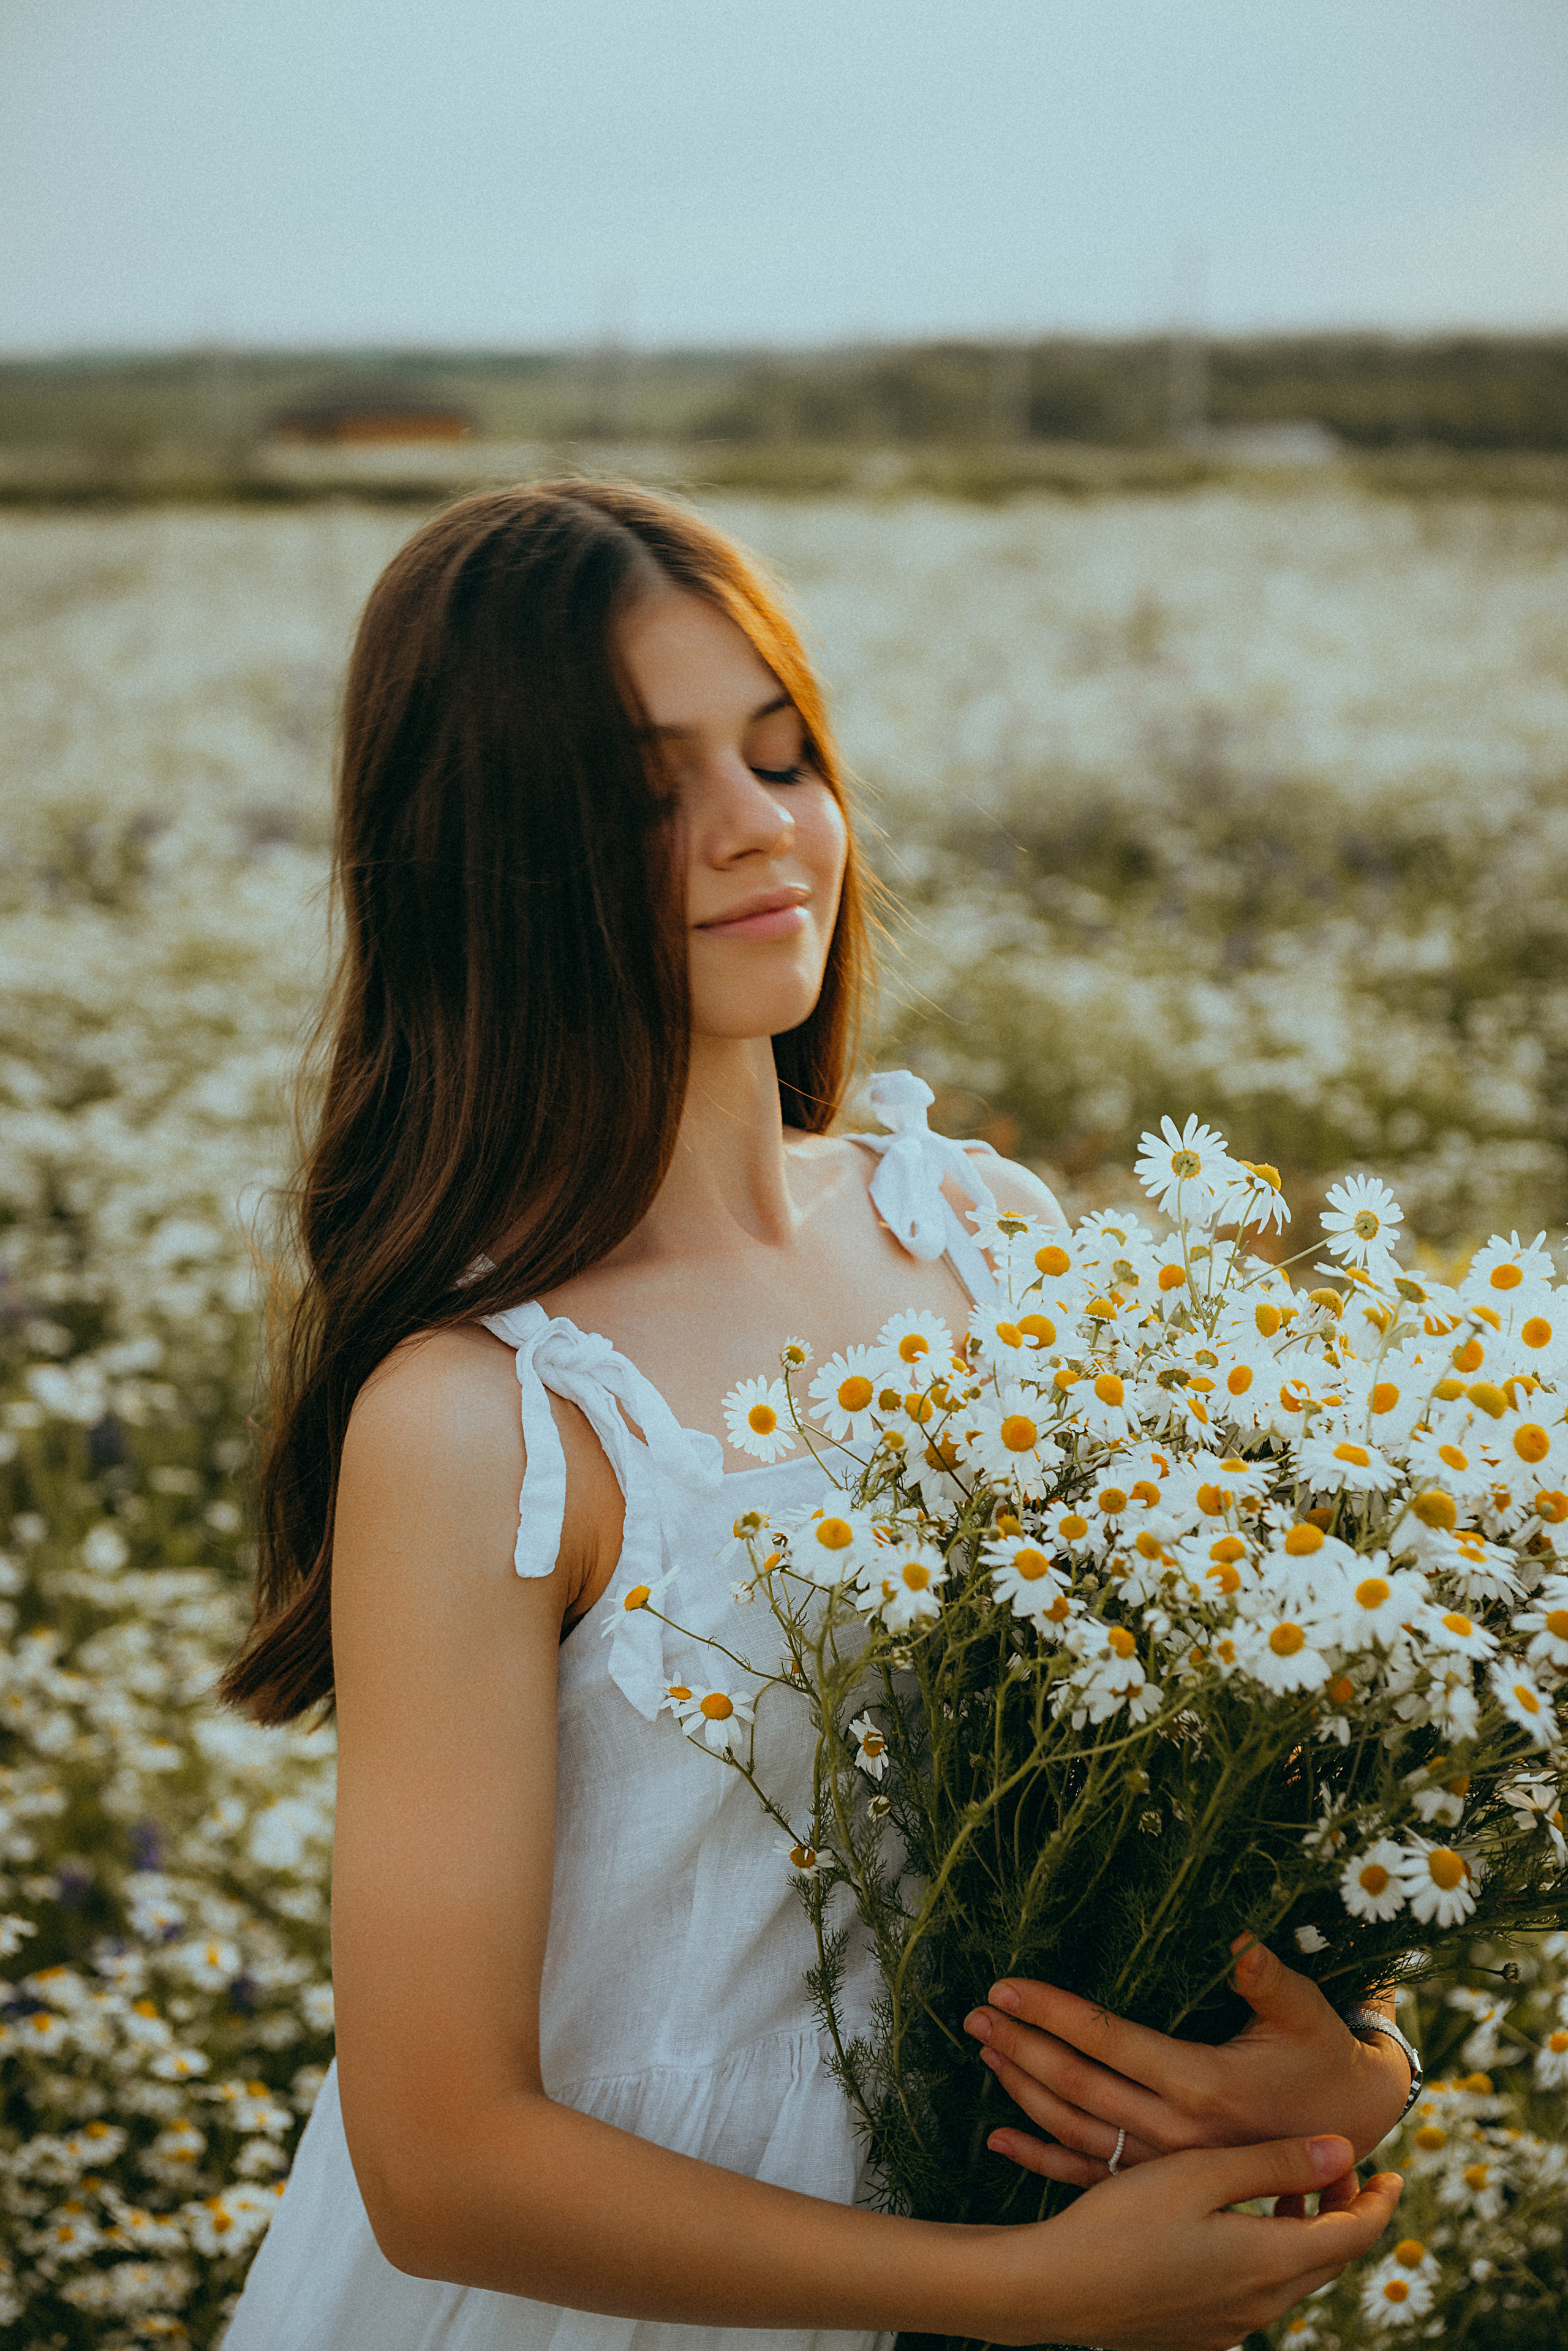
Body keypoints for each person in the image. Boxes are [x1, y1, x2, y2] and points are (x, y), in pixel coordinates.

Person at [219, 481, 1408, 2351]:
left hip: (1006, 2230)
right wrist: (1016, 2295)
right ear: (489, 856)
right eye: (647, 791)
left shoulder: (986, 1239)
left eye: (780, 755)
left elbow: (1163, 1803)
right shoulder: (487, 1417)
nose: (758, 825)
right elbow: (439, 2161)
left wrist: (1348, 2068)